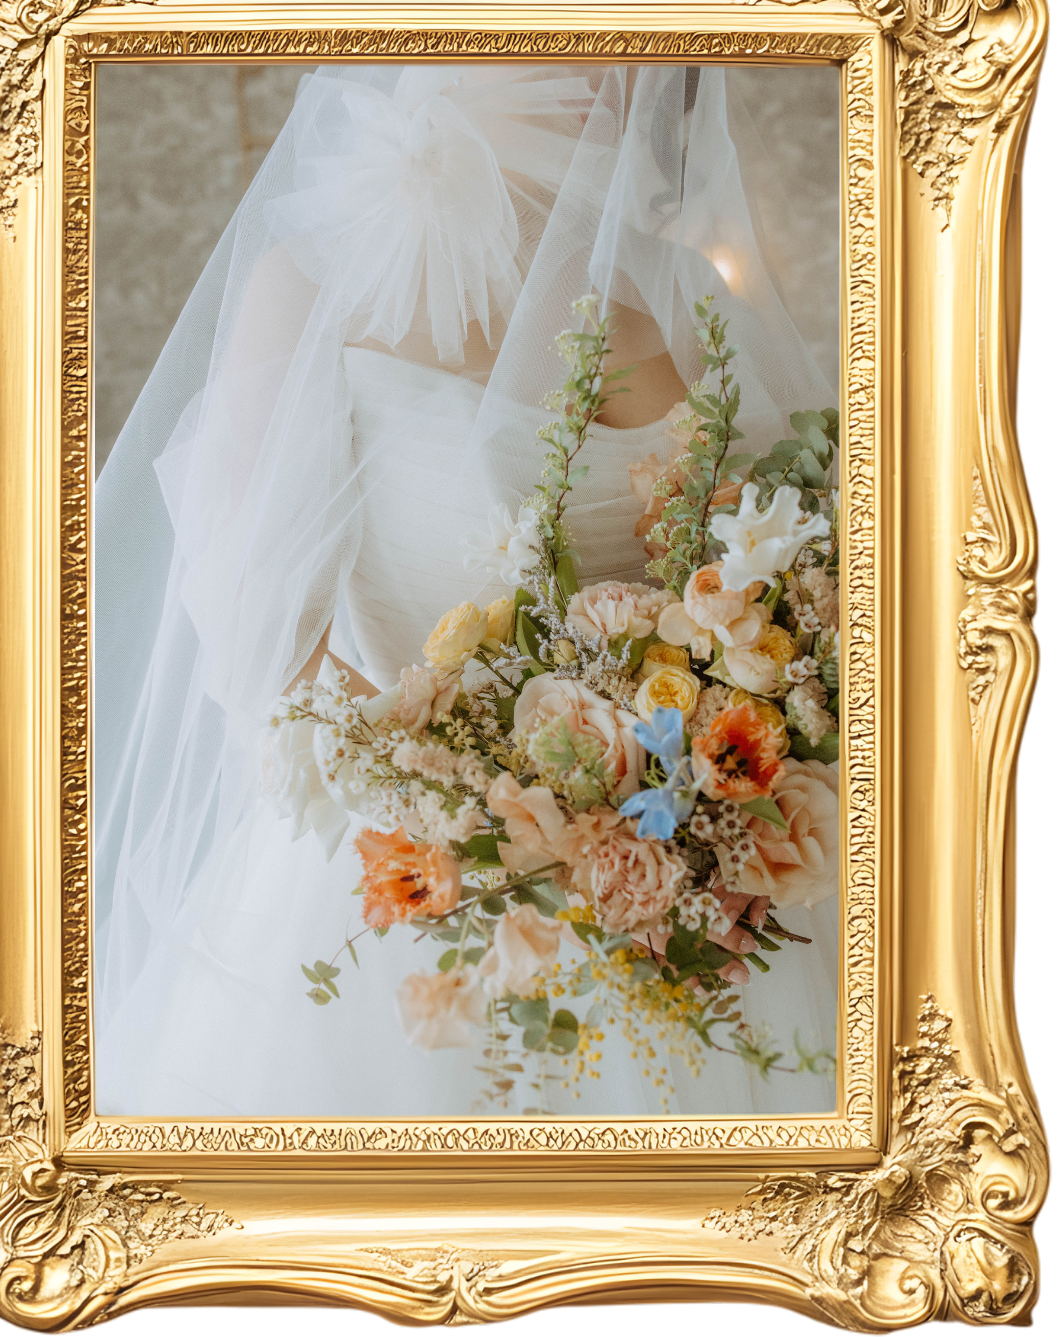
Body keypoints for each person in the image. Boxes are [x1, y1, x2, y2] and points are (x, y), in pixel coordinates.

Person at [93, 62, 841, 1117]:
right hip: (405, 893)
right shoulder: (315, 288)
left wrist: (676, 817)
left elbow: (778, 595)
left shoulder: (689, 297)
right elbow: (261, 656)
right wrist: (495, 818)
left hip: (674, 866)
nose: (619, 74)